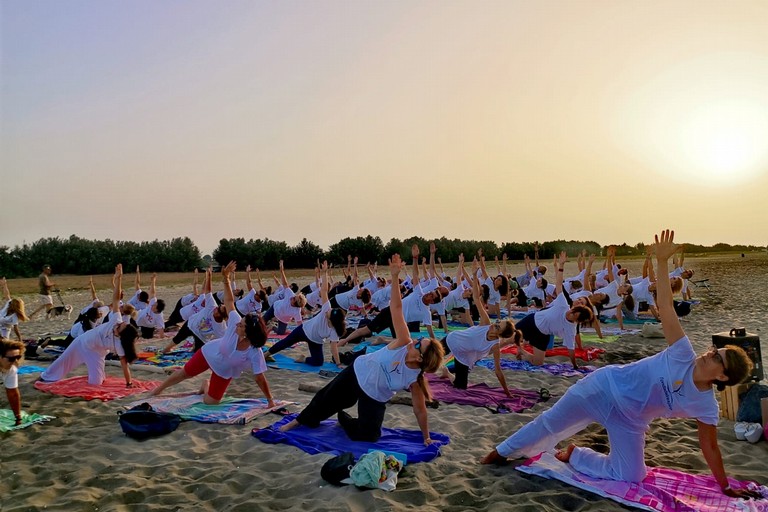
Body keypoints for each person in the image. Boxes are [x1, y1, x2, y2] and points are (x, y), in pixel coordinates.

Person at [481, 230, 761, 500]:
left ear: (722, 377)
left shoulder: (706, 406)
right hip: (603, 388)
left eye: (717, 357)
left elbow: (709, 446)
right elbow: (665, 305)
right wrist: (662, 262)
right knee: (549, 423)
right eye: (714, 349)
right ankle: (500, 452)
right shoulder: (682, 354)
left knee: (632, 476)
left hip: (630, 420)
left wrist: (724, 486)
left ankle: (576, 455)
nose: (709, 353)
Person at [278, 254, 445, 444]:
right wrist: (396, 277)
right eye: (419, 339)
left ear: (420, 359)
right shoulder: (403, 341)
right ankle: (298, 422)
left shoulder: (415, 380)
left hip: (374, 396)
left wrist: (426, 437)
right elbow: (397, 309)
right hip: (357, 372)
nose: (414, 341)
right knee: (324, 400)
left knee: (369, 436)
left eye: (418, 344)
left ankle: (345, 420)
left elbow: (420, 410)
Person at [149, 262, 275, 406]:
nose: (238, 323)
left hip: (224, 371)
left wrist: (270, 400)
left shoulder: (254, 352)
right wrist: (226, 278)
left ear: (248, 333)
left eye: (242, 325)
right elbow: (229, 300)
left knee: (211, 402)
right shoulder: (235, 320)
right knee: (185, 373)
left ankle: (205, 386)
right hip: (209, 354)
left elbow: (259, 378)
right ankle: (157, 390)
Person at [40, 264, 140, 386]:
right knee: (62, 361)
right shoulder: (116, 320)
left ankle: (99, 376)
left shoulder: (120, 345)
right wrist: (118, 278)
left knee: (96, 383)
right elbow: (115, 298)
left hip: (97, 354)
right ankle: (44, 377)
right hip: (83, 342)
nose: (118, 325)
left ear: (121, 336)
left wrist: (129, 383)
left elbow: (125, 366)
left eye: (120, 327)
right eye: (121, 324)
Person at [439, 271, 521, 395]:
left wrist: (507, 393)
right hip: (453, 340)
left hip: (463, 357)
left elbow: (498, 371)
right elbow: (477, 299)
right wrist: (475, 275)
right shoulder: (486, 323)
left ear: (500, 334)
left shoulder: (494, 345)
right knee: (429, 360)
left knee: (460, 387)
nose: (495, 324)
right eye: (498, 322)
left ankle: (447, 373)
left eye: (498, 326)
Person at [513, 252, 594, 369]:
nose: (571, 314)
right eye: (574, 311)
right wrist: (560, 266)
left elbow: (571, 349)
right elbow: (559, 284)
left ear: (577, 320)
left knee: (538, 363)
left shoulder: (570, 328)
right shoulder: (563, 305)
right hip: (532, 322)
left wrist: (575, 366)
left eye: (575, 315)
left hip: (542, 335)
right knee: (509, 337)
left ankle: (522, 351)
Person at [266, 261, 346, 367]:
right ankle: (266, 354)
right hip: (303, 330)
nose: (328, 311)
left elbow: (333, 347)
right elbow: (324, 290)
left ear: (332, 320)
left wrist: (338, 363)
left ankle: (303, 359)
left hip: (316, 341)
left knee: (318, 362)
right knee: (285, 342)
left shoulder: (334, 331)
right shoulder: (327, 309)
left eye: (330, 314)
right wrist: (325, 272)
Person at [161, 269, 227, 353]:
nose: (216, 308)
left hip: (201, 336)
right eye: (219, 306)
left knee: (196, 352)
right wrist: (209, 276)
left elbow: (224, 341)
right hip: (191, 324)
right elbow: (208, 290)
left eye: (218, 309)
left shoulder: (221, 327)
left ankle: (194, 348)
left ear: (220, 315)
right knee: (177, 339)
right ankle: (166, 349)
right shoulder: (212, 305)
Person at [1, 339, 25, 425]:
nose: (15, 362)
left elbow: (13, 394)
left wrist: (18, 418)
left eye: (18, 357)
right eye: (11, 359)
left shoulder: (11, 369)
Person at [134, 273, 166, 339]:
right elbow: (152, 292)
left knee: (147, 337)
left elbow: (161, 330)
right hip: (137, 317)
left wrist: (162, 337)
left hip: (147, 326)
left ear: (157, 309)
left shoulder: (159, 317)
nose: (152, 305)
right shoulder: (154, 302)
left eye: (154, 305)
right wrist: (153, 281)